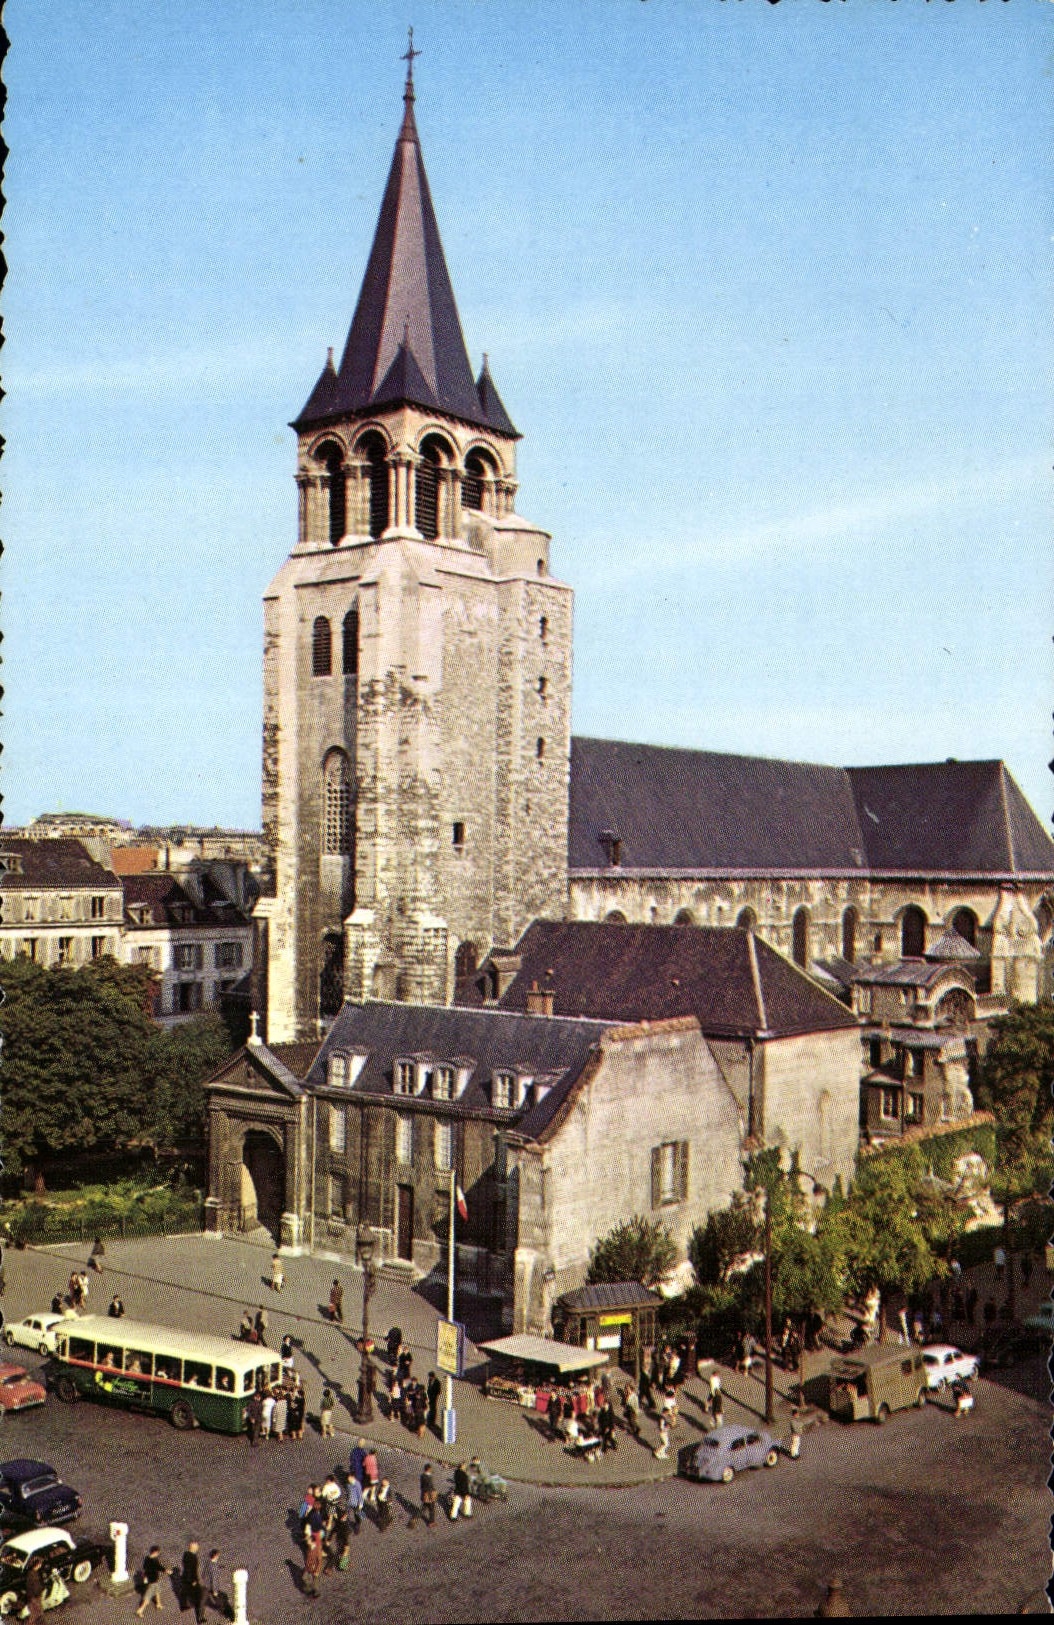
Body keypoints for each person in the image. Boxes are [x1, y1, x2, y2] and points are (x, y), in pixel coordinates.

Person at [136, 1546, 169, 1616]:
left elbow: (145, 1568)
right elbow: (159, 1567)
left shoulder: (147, 1558)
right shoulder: (154, 1561)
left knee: (157, 1591)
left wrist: (145, 1577)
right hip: (153, 1580)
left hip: (152, 1580)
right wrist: (166, 1571)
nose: (158, 1554)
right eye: (158, 1553)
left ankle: (158, 1604)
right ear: (155, 1552)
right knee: (148, 1596)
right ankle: (140, 1610)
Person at [180, 1542, 205, 1625]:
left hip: (186, 1579)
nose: (198, 1548)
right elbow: (190, 1570)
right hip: (192, 1580)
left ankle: (184, 1605)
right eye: (197, 1547)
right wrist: (193, 1581)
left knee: (187, 1592)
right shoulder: (192, 1557)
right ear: (193, 1548)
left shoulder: (186, 1554)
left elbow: (186, 1568)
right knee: (199, 1598)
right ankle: (199, 1619)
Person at [24, 1556, 46, 1624]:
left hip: (34, 1596)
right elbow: (33, 1587)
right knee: (36, 1614)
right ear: (37, 1564)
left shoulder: (33, 1573)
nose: (41, 1565)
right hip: (34, 1597)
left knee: (38, 1614)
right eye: (40, 1564)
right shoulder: (32, 1574)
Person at [420, 1463, 437, 1528]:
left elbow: (422, 1486)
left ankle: (416, 1516)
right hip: (429, 1495)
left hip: (427, 1494)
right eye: (430, 1468)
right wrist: (431, 1493)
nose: (431, 1469)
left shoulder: (423, 1475)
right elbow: (427, 1486)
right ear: (428, 1469)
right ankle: (431, 1522)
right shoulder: (426, 1476)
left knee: (424, 1508)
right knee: (431, 1509)